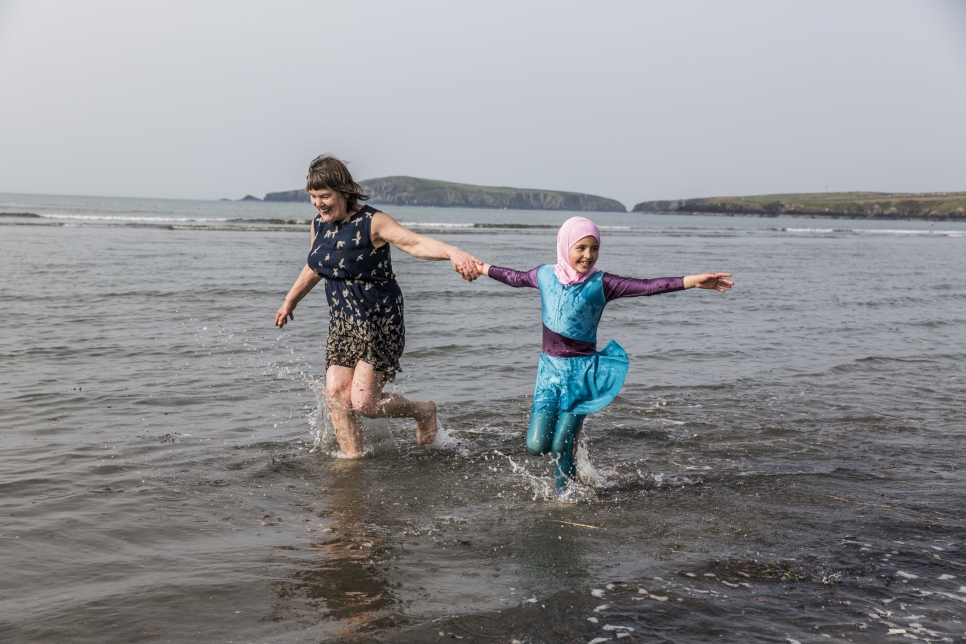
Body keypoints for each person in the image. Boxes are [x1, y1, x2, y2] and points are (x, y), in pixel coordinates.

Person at [476, 216, 732, 495]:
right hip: (548, 372)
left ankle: (566, 498)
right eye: (581, 248)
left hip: (583, 373)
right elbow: (513, 277)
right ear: (565, 246)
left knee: (561, 446)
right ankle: (572, 445)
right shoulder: (544, 274)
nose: (588, 255)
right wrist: (481, 267)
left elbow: (646, 286)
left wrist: (691, 281)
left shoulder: (602, 283)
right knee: (536, 446)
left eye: (594, 248)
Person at [275, 155, 480, 457]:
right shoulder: (318, 226)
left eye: (324, 196)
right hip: (343, 322)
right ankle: (352, 462)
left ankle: (423, 411)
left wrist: (453, 252)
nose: (318, 203)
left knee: (364, 403)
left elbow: (414, 244)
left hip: (379, 322)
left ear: (344, 191)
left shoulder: (373, 222)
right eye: (313, 197)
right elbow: (317, 265)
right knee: (335, 393)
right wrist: (290, 301)